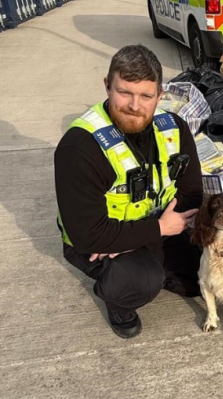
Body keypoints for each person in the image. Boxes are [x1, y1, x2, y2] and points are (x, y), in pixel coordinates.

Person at [54, 45, 204, 338]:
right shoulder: (79, 147)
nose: (135, 105)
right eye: (124, 92)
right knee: (141, 279)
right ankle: (118, 301)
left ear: (160, 95)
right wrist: (158, 228)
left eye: (146, 96)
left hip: (154, 228)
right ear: (107, 86)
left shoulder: (174, 127)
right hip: (99, 245)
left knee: (200, 279)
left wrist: (153, 232)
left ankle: (153, 260)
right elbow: (88, 235)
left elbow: (192, 192)